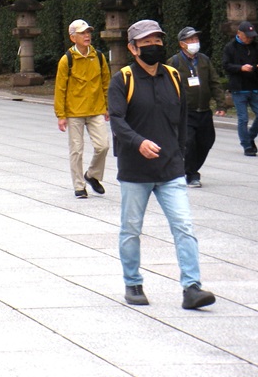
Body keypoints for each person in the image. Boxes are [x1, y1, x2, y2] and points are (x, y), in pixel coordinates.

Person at [109, 19, 215, 310]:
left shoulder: (173, 76)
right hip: (135, 170)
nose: (153, 46)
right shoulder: (123, 79)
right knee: (131, 229)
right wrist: (138, 142)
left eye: (157, 41)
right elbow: (116, 120)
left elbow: (182, 119)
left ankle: (192, 287)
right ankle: (133, 283)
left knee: (184, 226)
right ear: (133, 48)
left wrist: (179, 154)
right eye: (146, 42)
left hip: (170, 169)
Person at [53, 19, 110, 199]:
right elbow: (60, 88)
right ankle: (79, 186)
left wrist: (108, 106)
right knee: (76, 150)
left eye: (88, 32)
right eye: (82, 33)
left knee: (103, 146)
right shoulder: (67, 60)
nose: (87, 36)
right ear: (73, 38)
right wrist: (61, 115)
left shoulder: (98, 57)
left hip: (96, 109)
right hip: (74, 112)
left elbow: (106, 83)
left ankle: (92, 175)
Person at [168, 27, 225, 187]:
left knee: (206, 141)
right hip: (186, 111)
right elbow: (168, 86)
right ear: (182, 44)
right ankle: (191, 173)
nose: (195, 42)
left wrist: (221, 104)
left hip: (204, 110)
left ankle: (190, 168)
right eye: (191, 40)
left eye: (196, 39)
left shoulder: (204, 60)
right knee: (189, 142)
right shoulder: (175, 62)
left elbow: (214, 82)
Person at [222, 20, 258, 156]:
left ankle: (250, 137)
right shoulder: (230, 47)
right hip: (239, 88)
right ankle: (247, 145)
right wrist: (240, 68)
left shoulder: (256, 46)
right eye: (247, 36)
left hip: (255, 86)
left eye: (251, 36)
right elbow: (226, 65)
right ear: (239, 33)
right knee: (243, 118)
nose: (250, 39)